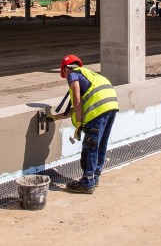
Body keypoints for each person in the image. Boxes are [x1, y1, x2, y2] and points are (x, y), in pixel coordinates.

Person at [48, 54, 119, 194]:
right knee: (100, 143)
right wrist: (54, 118)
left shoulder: (73, 74)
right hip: (111, 105)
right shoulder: (88, 75)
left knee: (90, 145)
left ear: (65, 69)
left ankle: (87, 182)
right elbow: (75, 108)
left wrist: (80, 123)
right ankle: (95, 177)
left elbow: (76, 101)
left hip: (98, 110)